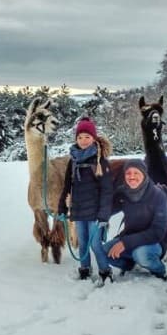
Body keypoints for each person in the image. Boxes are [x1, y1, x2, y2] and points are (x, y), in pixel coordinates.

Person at [92, 159, 167, 282]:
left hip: (154, 242)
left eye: (136, 173)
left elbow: (157, 232)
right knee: (103, 252)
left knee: (140, 254)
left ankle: (159, 270)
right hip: (131, 237)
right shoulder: (123, 193)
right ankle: (129, 265)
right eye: (128, 173)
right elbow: (106, 209)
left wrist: (125, 243)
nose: (132, 177)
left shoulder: (158, 196)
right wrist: (81, 206)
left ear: (144, 174)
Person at [58, 117, 113, 280]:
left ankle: (105, 270)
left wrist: (104, 214)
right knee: (82, 243)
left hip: (96, 212)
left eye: (87, 137)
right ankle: (85, 268)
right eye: (80, 137)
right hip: (79, 209)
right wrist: (62, 205)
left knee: (95, 244)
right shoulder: (73, 161)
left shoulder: (100, 161)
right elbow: (67, 185)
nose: (83, 140)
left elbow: (107, 191)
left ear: (94, 138)